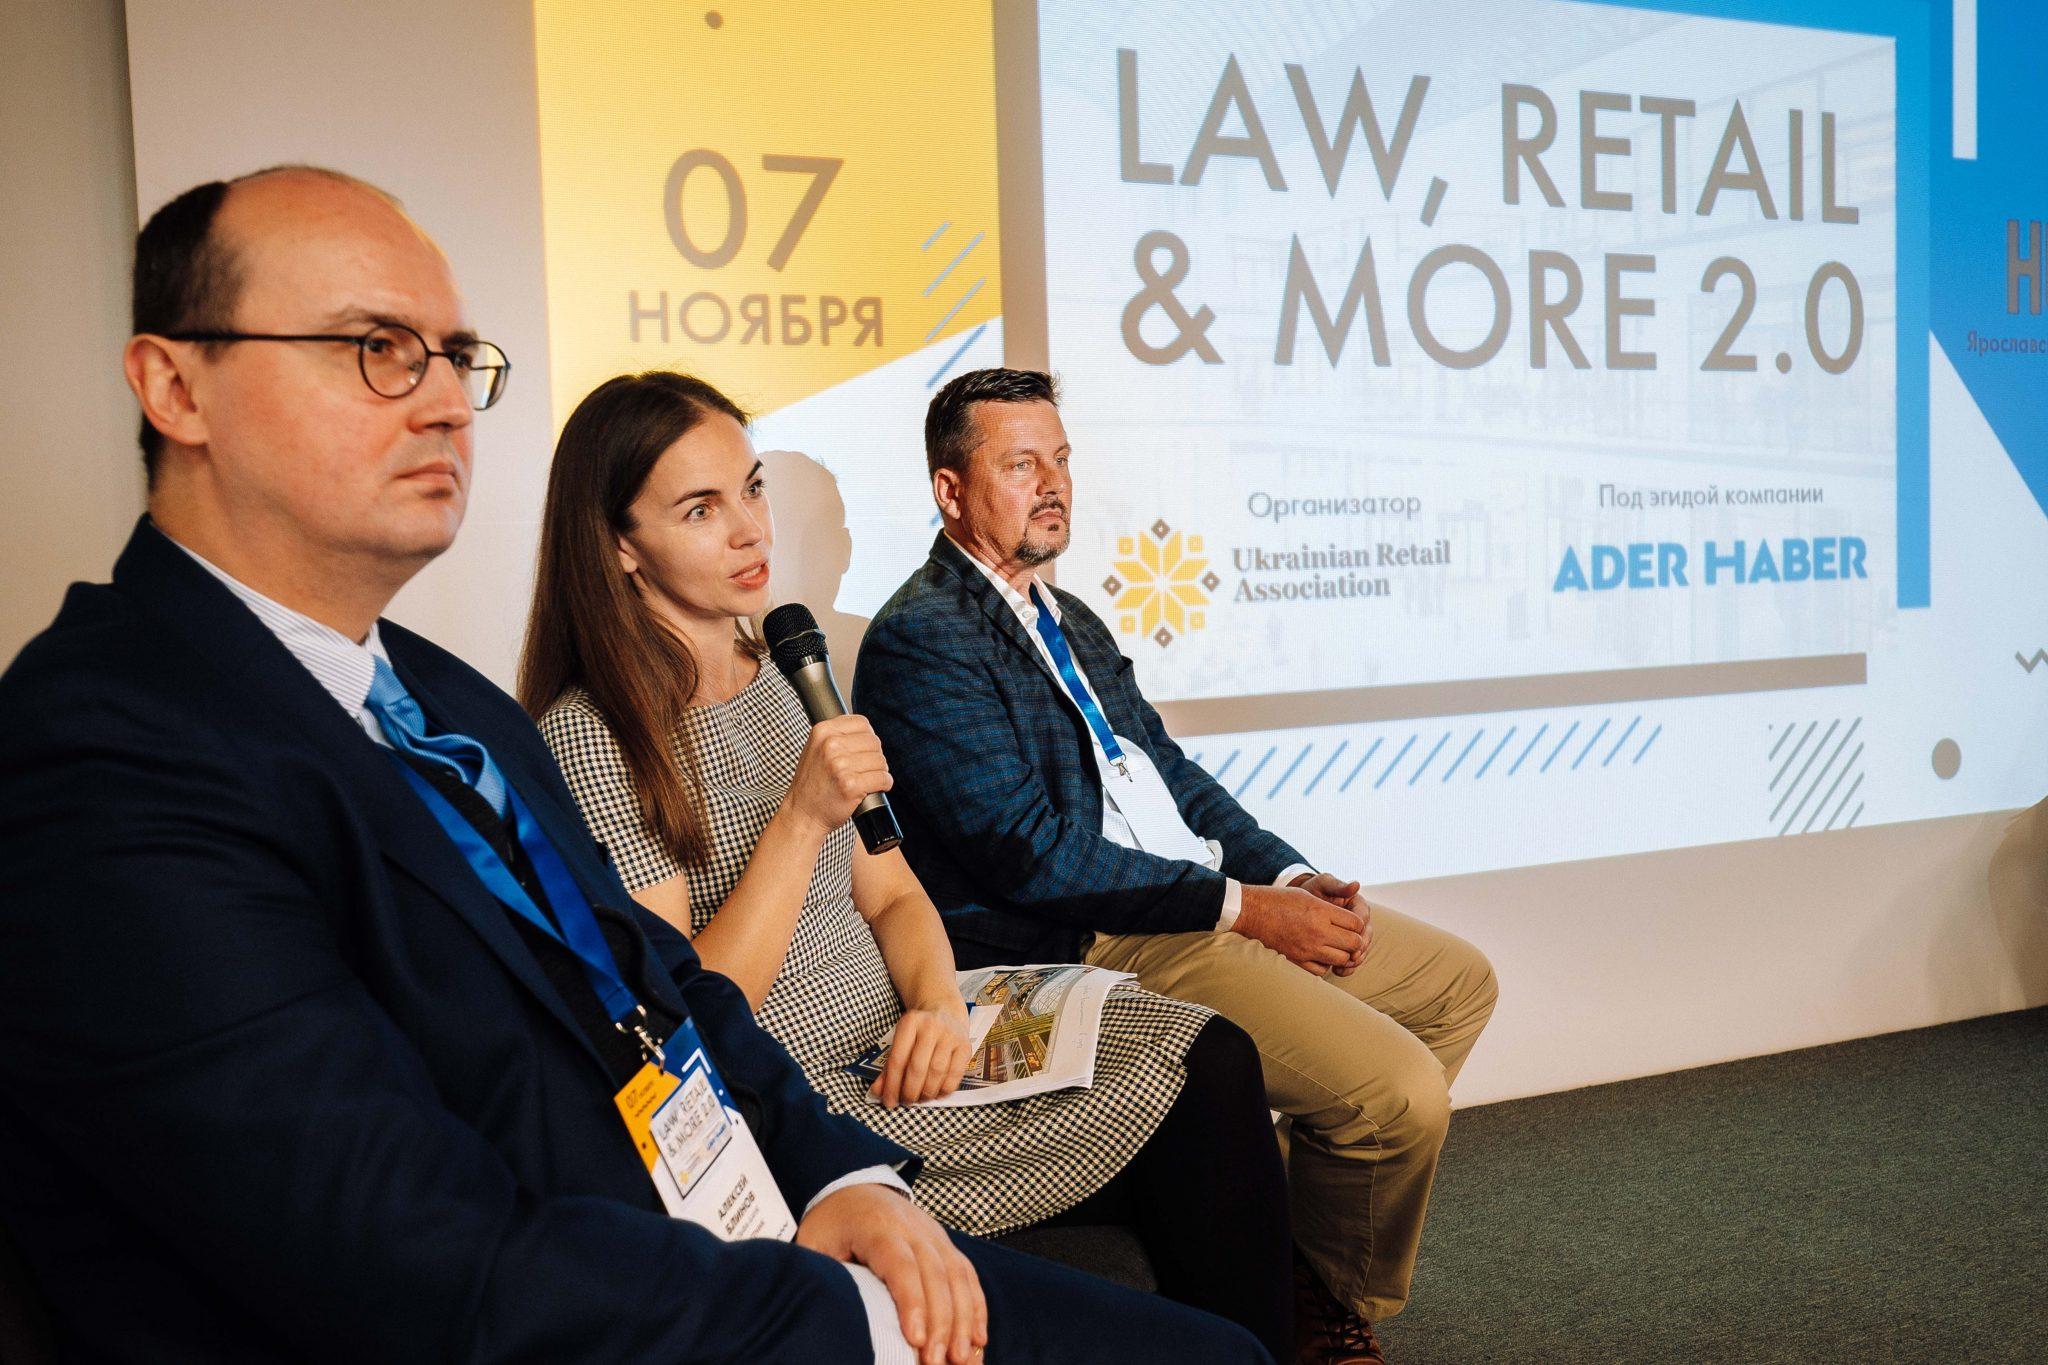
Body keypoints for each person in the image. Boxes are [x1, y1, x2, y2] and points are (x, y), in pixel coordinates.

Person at [0, 170, 1271, 1365]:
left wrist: (837, 1174)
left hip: (710, 1210)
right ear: (174, 387)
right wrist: (836, 1312)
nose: (444, 403)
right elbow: (393, 1246)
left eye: (454, 356)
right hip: (611, 1291)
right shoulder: (108, 750)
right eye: (376, 348)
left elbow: (659, 983)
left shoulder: (438, 696)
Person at [520, 370, 1294, 1359]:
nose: (751, 530)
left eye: (751, 489)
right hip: (804, 1094)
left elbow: (890, 891)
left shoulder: (784, 673)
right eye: (701, 509)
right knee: (1190, 1142)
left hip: (908, 1029)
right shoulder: (595, 737)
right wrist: (800, 819)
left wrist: (934, 1003)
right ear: (621, 544)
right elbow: (686, 1018)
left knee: (1208, 1054)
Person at [853, 368, 1502, 1365]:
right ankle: (1324, 1297)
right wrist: (1245, 910)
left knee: (1456, 984)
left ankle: (1286, 1240)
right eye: (1020, 465)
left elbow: (1167, 773)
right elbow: (1030, 855)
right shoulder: (921, 638)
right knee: (1397, 1097)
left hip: (1194, 895)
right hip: (1097, 933)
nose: (1052, 484)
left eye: (1060, 459)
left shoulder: (1067, 617)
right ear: (950, 490)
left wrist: (1288, 879)